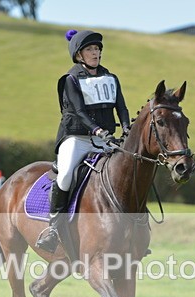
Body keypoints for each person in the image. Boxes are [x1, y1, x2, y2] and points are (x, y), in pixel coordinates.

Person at [35, 29, 131, 253]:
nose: (95, 52)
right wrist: (97, 130)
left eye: (97, 49)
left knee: (126, 170)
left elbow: (122, 107)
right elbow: (78, 111)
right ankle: (54, 228)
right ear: (79, 55)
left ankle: (133, 227)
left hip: (104, 139)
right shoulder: (70, 79)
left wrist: (125, 128)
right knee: (66, 173)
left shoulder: (111, 78)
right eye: (90, 49)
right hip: (76, 138)